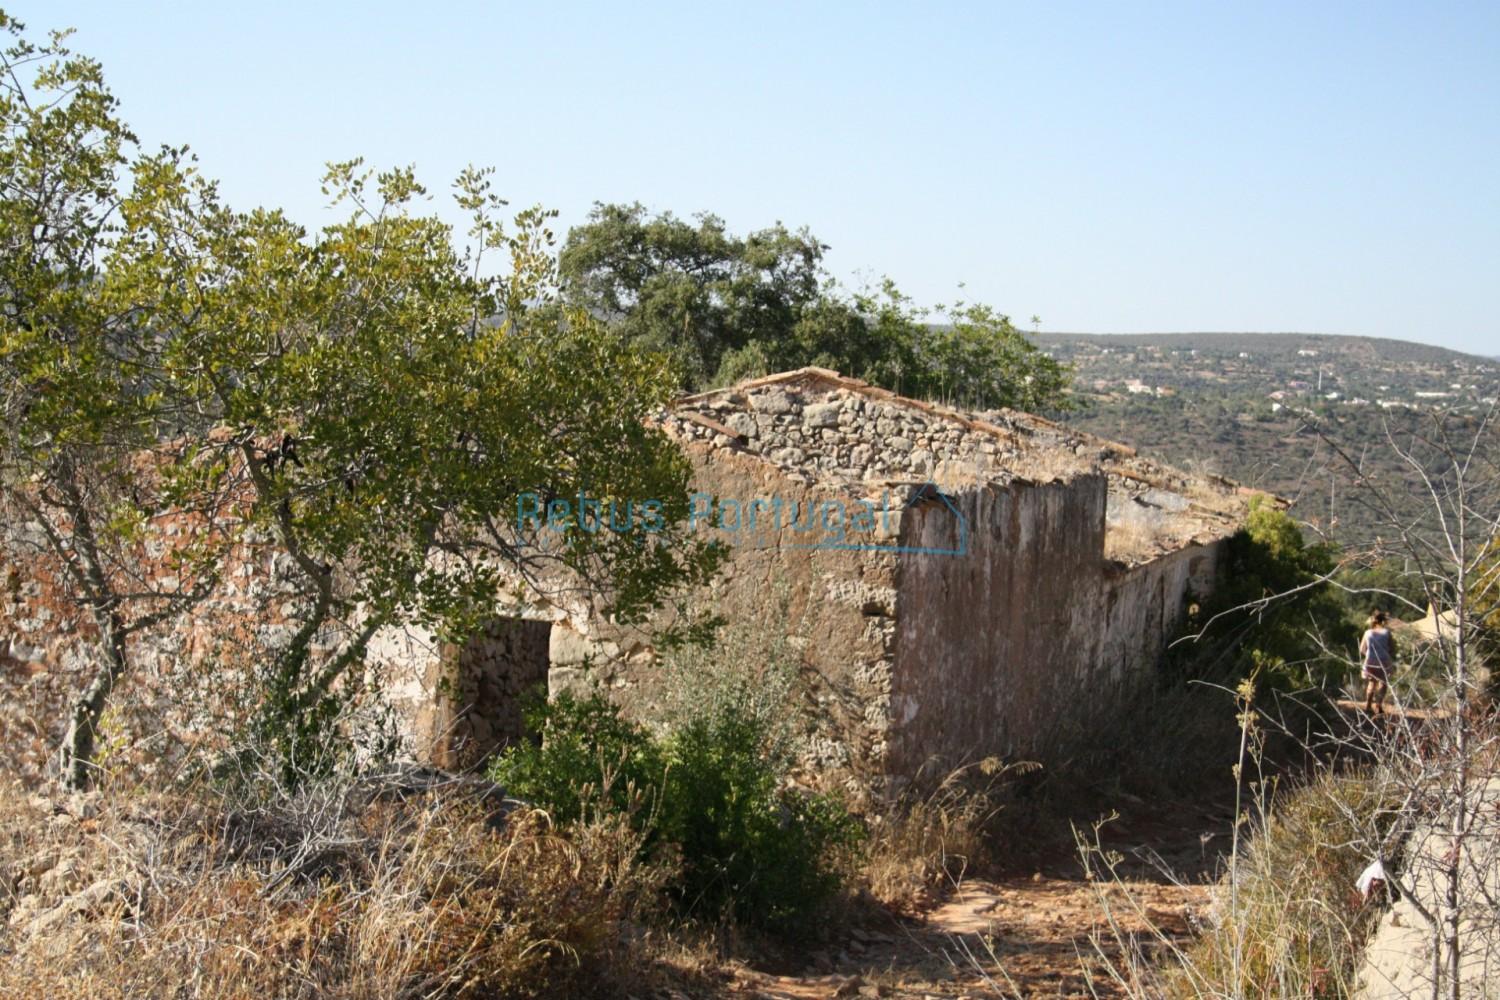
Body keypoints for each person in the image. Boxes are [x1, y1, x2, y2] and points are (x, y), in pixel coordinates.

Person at [1359, 610, 1396, 715]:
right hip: (1384, 660)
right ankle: (1378, 705)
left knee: (1371, 682)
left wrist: (1369, 655)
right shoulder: (1387, 632)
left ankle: (1368, 705)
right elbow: (1392, 648)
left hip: (1371, 660)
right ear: (1383, 621)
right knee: (1383, 683)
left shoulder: (1367, 633)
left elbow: (1362, 649)